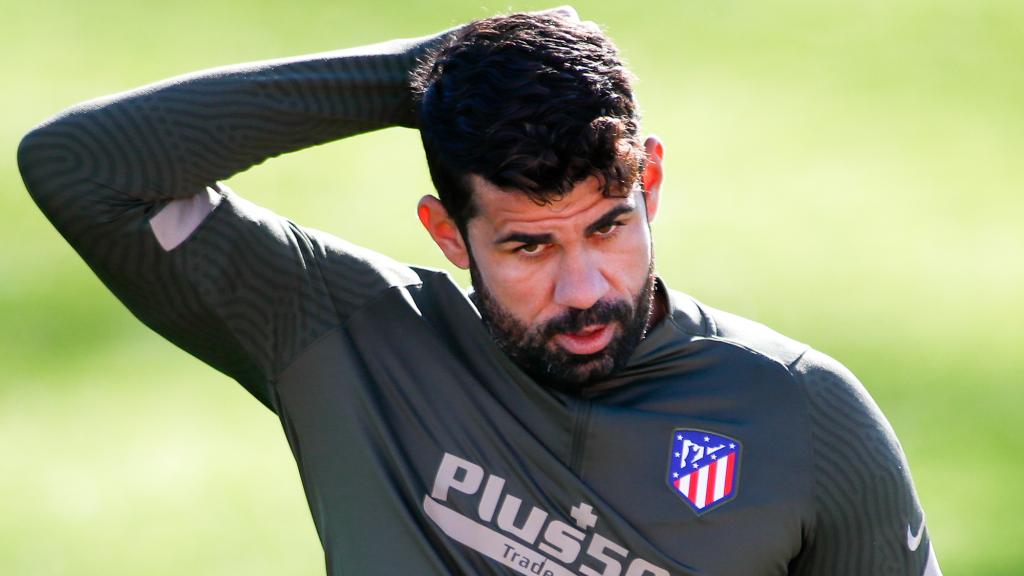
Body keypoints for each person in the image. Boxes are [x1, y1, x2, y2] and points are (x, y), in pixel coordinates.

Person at [18, 8, 941, 576]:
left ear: (650, 185)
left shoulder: (803, 417)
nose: (585, 290)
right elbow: (81, 165)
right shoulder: (338, 333)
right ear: (447, 234)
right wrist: (426, 70)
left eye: (609, 225)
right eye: (529, 246)